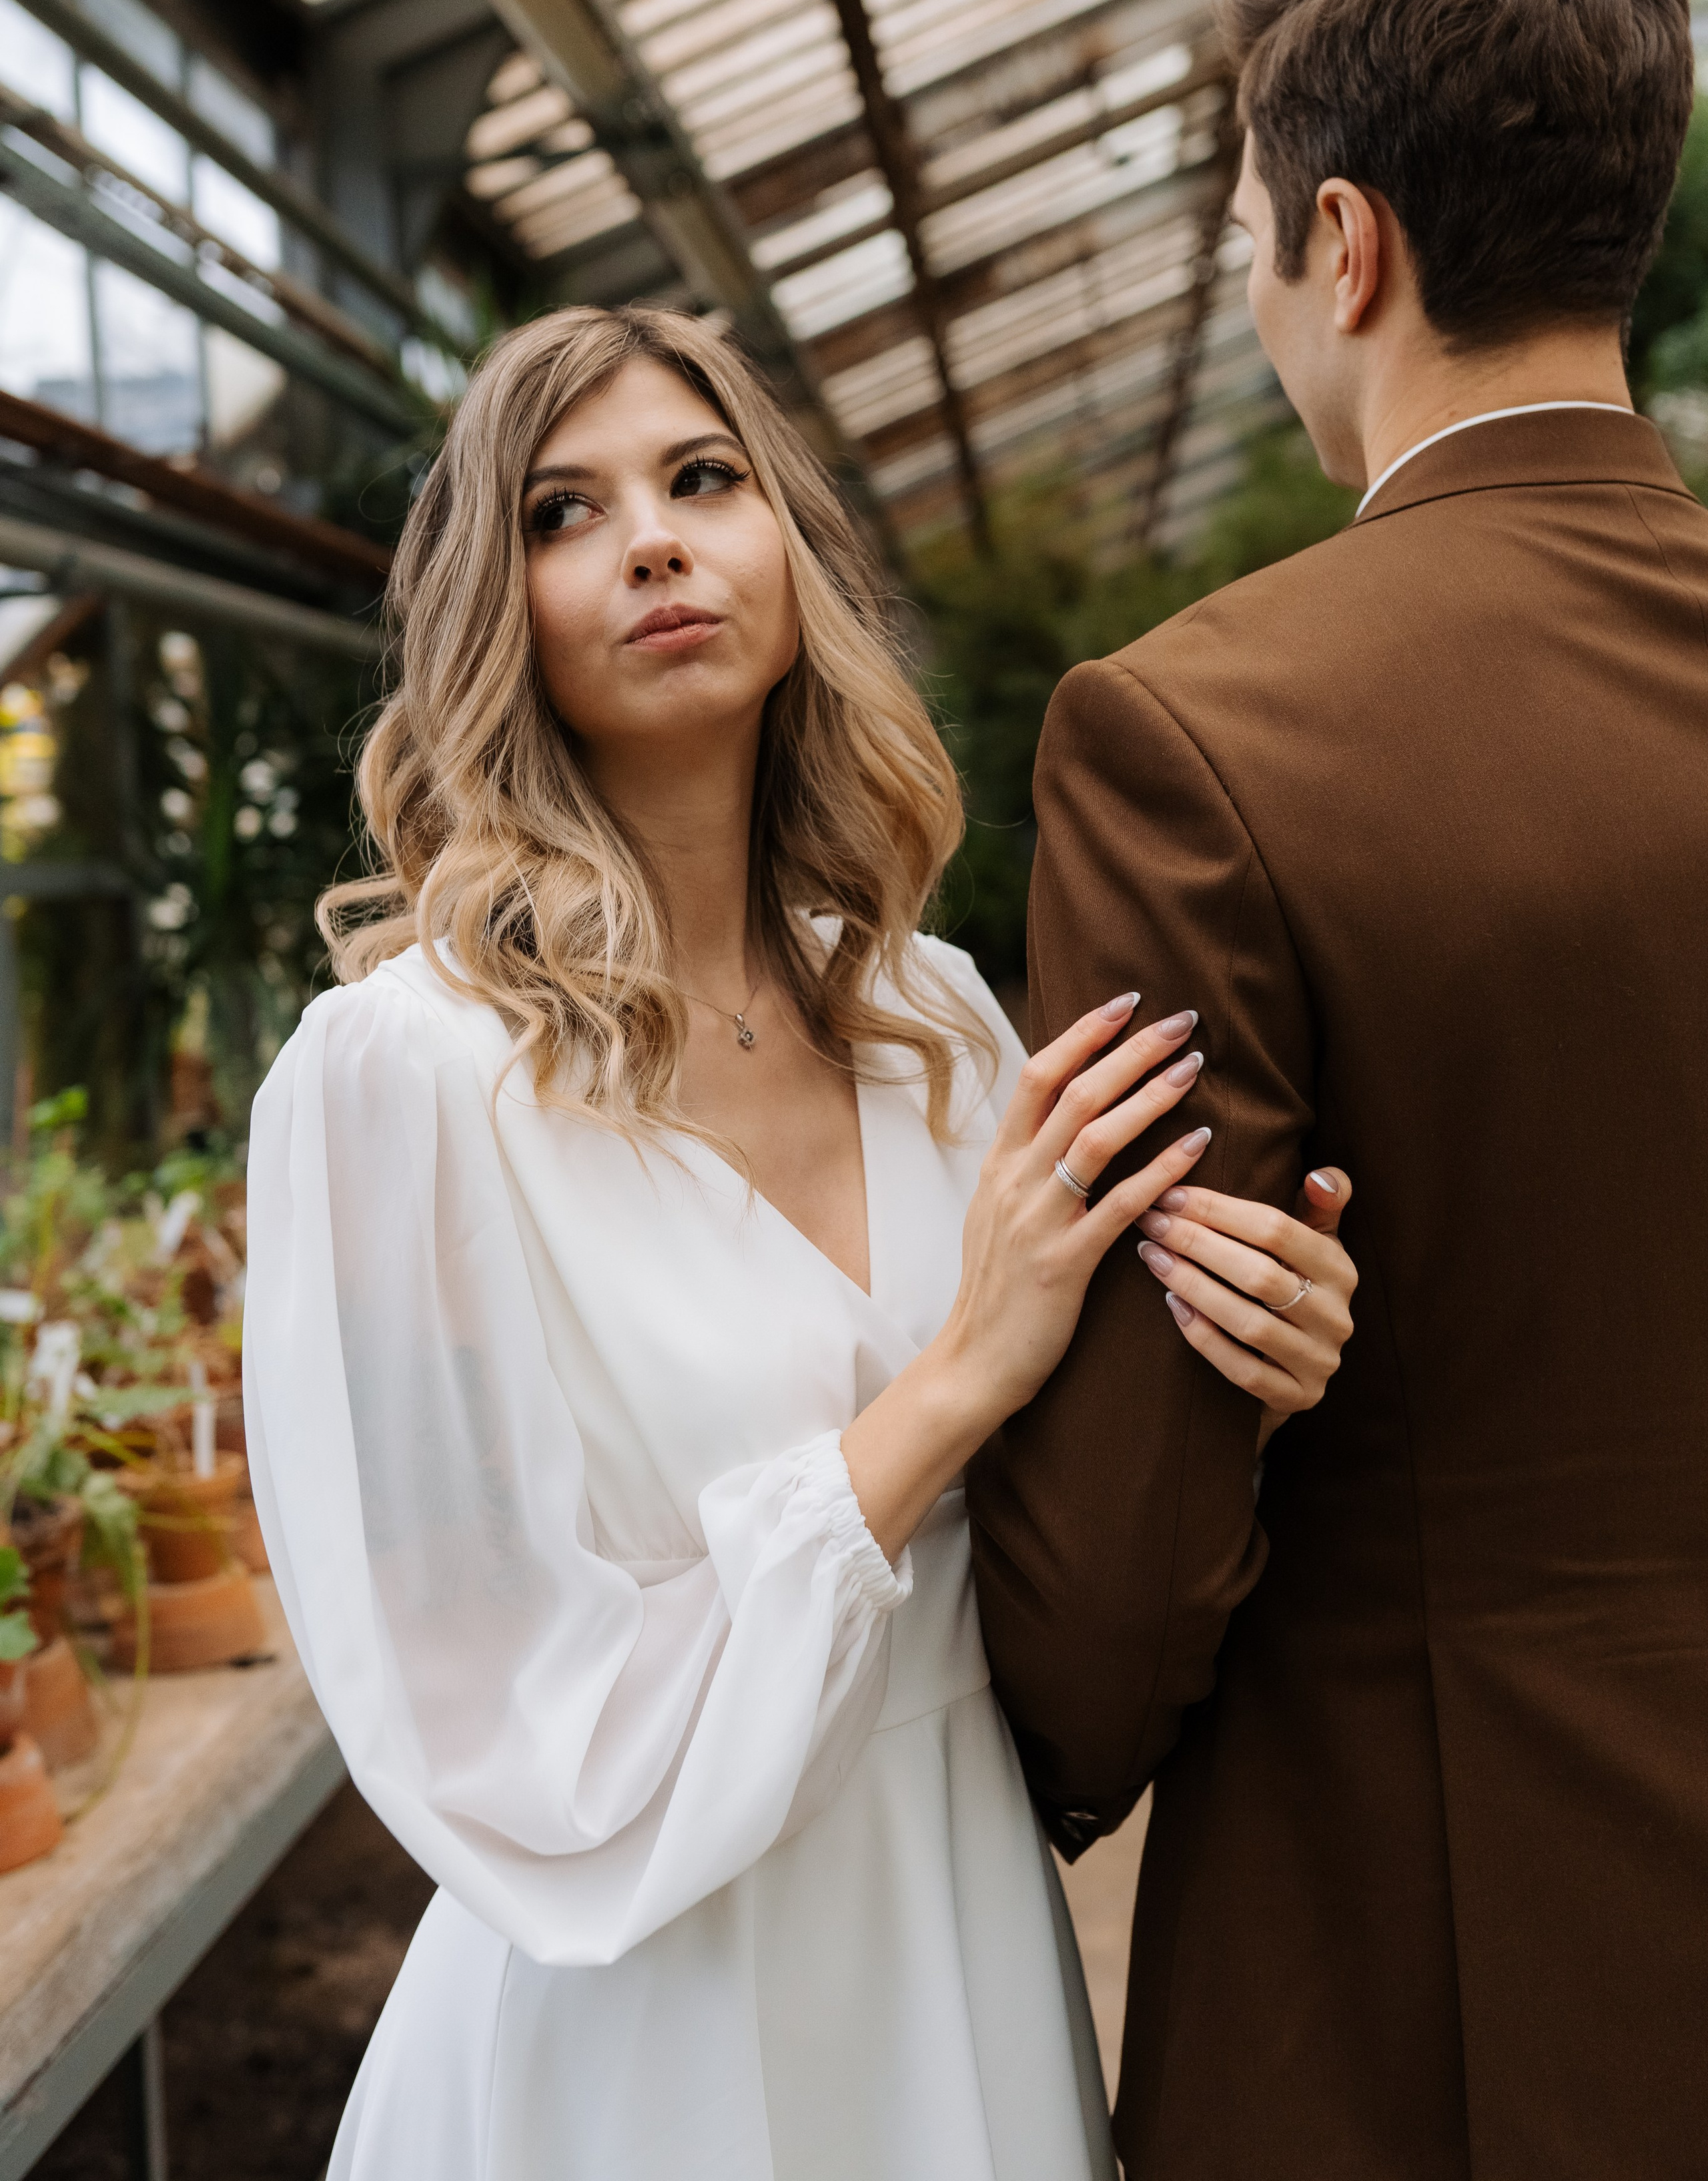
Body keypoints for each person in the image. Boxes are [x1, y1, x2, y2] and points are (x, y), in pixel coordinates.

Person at [242, 305, 1355, 2181]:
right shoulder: (405, 1077)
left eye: (702, 480)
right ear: (488, 610)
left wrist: (1257, 1355)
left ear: (790, 553)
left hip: (959, 1938)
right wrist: (953, 1382)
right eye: (563, 511)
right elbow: (478, 1707)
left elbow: (1079, 1492)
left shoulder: (941, 1022)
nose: (655, 542)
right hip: (637, 2006)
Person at [967, 0, 1708, 2180]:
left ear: (1343, 243)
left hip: (1426, 1937)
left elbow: (1139, 1494)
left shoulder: (1208, 740)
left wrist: (1032, 1761)